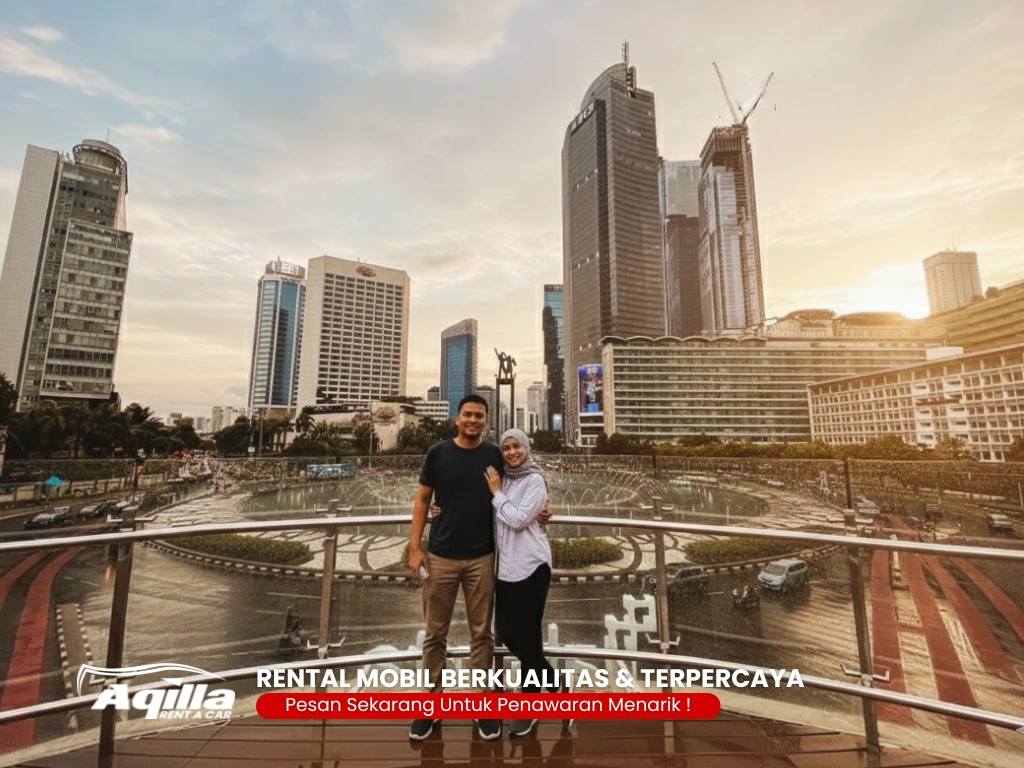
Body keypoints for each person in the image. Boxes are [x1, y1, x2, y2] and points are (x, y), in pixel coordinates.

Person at [407, 394, 504, 742]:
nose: (473, 420)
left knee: (482, 634)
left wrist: (542, 506)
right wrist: (415, 548)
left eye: (479, 415)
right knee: (435, 636)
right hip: (441, 556)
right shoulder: (438, 453)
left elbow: (521, 481)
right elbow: (421, 498)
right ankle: (430, 706)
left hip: (482, 557)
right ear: (457, 419)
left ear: (486, 420)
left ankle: (482, 705)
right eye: (467, 415)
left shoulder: (494, 454)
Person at [485, 428, 557, 738]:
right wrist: (438, 508)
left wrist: (497, 494)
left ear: (526, 448)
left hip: (531, 565)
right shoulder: (502, 477)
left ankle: (531, 706)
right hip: (505, 569)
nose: (512, 452)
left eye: (517, 446)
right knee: (511, 634)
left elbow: (517, 520)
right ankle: (552, 684)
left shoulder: (534, 480)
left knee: (526, 638)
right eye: (506, 447)